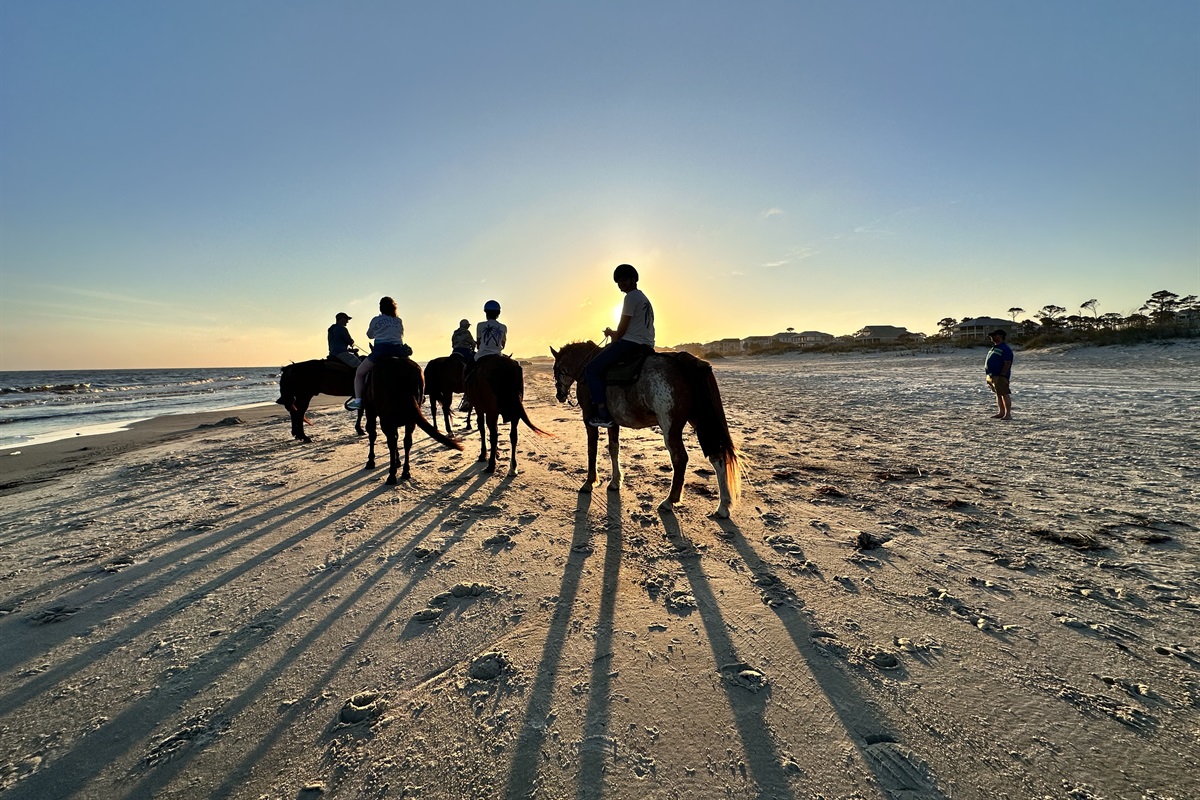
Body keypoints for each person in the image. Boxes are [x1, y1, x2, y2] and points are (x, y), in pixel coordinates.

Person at [584, 263, 655, 427]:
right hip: (647, 344)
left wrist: (611, 333)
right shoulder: (644, 299)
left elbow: (622, 332)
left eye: (624, 280)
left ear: (633, 280)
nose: (621, 284)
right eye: (619, 282)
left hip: (630, 344)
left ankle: (602, 414)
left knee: (591, 369)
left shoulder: (630, 297)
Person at [346, 297, 409, 410]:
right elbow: (401, 334)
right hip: (399, 350)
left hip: (381, 350)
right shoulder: (398, 320)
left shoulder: (376, 320)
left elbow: (370, 335)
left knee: (359, 373)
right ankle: (421, 394)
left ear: (381, 307)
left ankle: (358, 401)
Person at [985, 329, 1014, 420]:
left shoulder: (1005, 348)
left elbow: (1007, 362)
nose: (992, 337)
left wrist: (1002, 374)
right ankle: (1001, 412)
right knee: (998, 394)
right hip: (992, 374)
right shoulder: (994, 347)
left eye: (994, 335)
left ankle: (1007, 414)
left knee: (1004, 393)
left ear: (1001, 336)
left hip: (1000, 375)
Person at [474, 300, 507, 365]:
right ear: (498, 313)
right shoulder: (503, 327)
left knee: (468, 368)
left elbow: (478, 344)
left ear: (486, 313)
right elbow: (503, 345)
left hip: (481, 355)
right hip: (498, 355)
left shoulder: (480, 325)